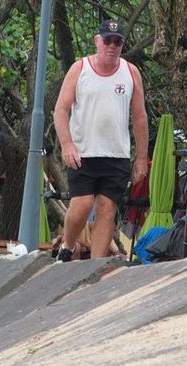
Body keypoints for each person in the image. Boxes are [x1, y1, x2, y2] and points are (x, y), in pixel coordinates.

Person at [53, 18, 148, 263]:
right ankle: (68, 244)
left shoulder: (130, 72)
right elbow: (61, 110)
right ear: (97, 41)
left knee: (107, 209)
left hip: (116, 155)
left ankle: (94, 266)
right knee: (83, 204)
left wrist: (140, 159)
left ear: (122, 44)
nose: (112, 46)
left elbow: (139, 118)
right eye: (108, 40)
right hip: (83, 152)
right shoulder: (79, 68)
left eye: (117, 41)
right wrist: (67, 144)